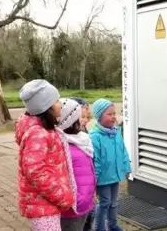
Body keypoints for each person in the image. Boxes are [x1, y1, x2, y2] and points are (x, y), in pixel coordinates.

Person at [15, 80, 74, 230]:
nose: (60, 104)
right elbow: (35, 173)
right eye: (56, 101)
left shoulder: (45, 131)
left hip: (48, 203)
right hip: (44, 206)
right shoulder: (37, 134)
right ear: (46, 107)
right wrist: (62, 195)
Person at [90, 99, 131, 231]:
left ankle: (113, 225)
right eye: (109, 114)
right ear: (99, 116)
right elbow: (94, 160)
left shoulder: (116, 132)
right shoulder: (95, 136)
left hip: (115, 174)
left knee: (113, 202)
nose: (114, 117)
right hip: (103, 177)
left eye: (114, 113)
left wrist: (126, 167)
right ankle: (99, 228)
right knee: (104, 203)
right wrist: (94, 180)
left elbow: (123, 151)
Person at [58, 98, 96, 231]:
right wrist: (75, 200)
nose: (85, 120)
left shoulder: (82, 140)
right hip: (72, 208)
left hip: (86, 201)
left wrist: (90, 194)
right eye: (80, 117)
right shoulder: (61, 145)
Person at [70, 97, 95, 231]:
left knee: (89, 221)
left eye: (87, 116)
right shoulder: (67, 140)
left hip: (88, 193)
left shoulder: (84, 135)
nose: (87, 120)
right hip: (77, 198)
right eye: (82, 116)